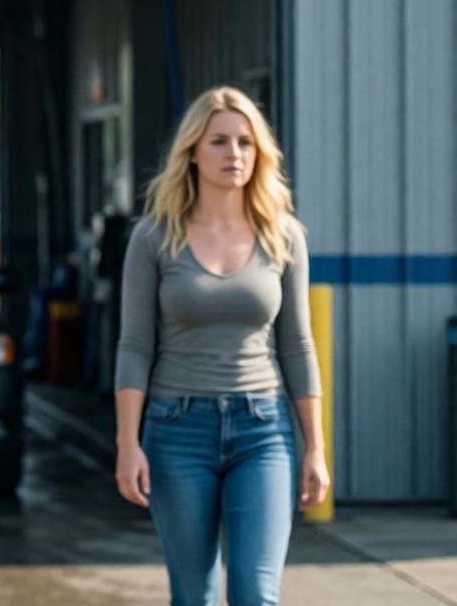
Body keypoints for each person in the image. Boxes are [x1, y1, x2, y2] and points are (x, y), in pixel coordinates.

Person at [113, 86, 331, 605]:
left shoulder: (284, 236)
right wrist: (127, 443)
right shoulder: (153, 238)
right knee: (195, 596)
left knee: (256, 593)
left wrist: (316, 448)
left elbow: (298, 345)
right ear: (192, 151)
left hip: (263, 431)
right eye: (219, 142)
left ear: (260, 154)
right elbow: (135, 345)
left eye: (245, 143)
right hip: (176, 430)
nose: (234, 154)